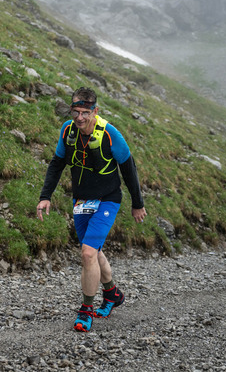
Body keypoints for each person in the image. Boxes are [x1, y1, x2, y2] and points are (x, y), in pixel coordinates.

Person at [36, 87, 147, 332]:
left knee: (87, 254)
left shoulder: (110, 134)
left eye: (85, 113)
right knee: (93, 251)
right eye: (76, 112)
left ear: (95, 111)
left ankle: (86, 310)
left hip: (108, 199)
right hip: (82, 200)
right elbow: (56, 164)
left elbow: (129, 168)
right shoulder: (67, 131)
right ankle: (112, 294)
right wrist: (45, 196)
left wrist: (137, 203)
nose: (80, 118)